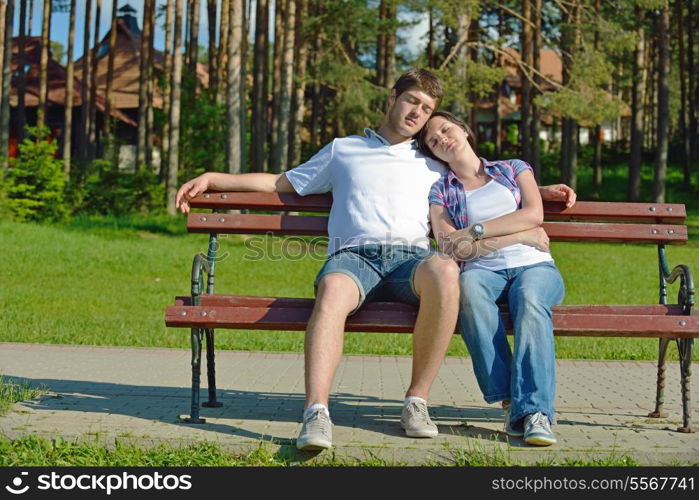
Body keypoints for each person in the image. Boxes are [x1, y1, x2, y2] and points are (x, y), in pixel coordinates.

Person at [176, 69, 575, 451]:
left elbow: (475, 179)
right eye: (411, 101)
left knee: (445, 268)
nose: (417, 112)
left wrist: (538, 190)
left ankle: (416, 401)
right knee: (331, 289)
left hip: (410, 262)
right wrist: (215, 178)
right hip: (354, 258)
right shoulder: (343, 149)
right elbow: (281, 182)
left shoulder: (433, 160)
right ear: (392, 99)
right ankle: (316, 412)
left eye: (426, 108)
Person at [418, 110, 567, 446]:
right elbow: (449, 244)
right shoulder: (441, 190)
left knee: (530, 300)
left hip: (536, 266)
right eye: (433, 141)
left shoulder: (513, 169)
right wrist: (518, 235)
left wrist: (474, 232)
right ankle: (513, 402)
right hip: (484, 272)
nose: (442, 137)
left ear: (464, 129)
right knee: (467, 288)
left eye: (446, 128)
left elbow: (534, 213)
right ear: (434, 154)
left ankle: (536, 413)